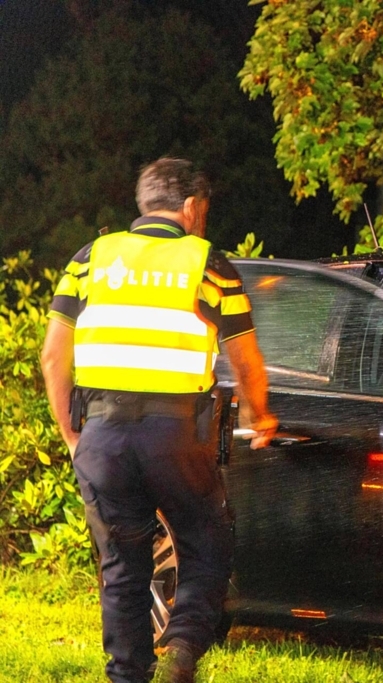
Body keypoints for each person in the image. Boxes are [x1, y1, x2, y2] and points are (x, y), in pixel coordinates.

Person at [40, 157, 278, 683]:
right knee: (207, 543)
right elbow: (246, 360)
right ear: (191, 208)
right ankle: (184, 647)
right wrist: (262, 417)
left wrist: (71, 434)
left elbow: (55, 357)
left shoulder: (90, 259)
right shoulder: (208, 263)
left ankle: (128, 676)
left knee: (122, 569)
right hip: (176, 438)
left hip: (103, 435)